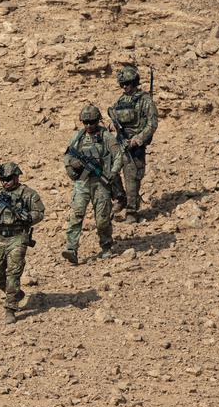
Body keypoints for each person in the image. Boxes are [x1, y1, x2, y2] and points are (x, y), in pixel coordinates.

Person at [0, 162, 45, 325]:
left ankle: (10, 308)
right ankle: (15, 293)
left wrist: (28, 217)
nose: (5, 182)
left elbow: (40, 213)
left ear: (16, 177)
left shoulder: (28, 194)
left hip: (18, 237)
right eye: (2, 179)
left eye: (8, 179)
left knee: (13, 273)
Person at [62, 106, 122, 264]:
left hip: (100, 183)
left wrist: (113, 173)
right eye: (86, 122)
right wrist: (72, 166)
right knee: (76, 215)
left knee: (102, 218)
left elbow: (118, 156)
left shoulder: (106, 136)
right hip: (82, 182)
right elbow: (67, 156)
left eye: (92, 122)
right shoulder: (78, 137)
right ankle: (71, 249)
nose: (89, 125)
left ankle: (106, 245)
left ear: (98, 121)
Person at [108, 65, 159, 223]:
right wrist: (112, 125)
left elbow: (152, 124)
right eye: (122, 84)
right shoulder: (121, 101)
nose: (125, 87)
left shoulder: (144, 100)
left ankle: (132, 211)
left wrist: (138, 139)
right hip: (120, 142)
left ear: (134, 82)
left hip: (135, 145)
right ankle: (120, 197)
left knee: (131, 177)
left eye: (128, 83)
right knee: (109, 170)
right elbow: (115, 119)